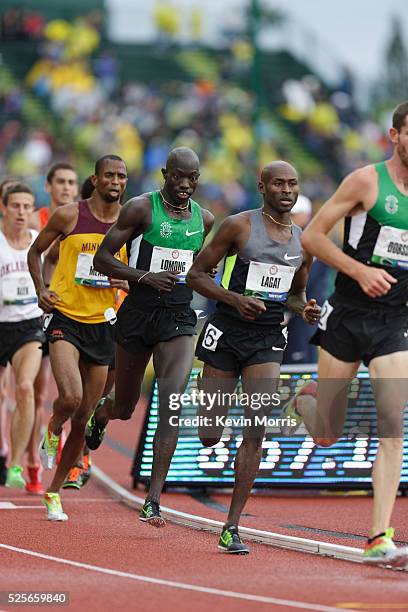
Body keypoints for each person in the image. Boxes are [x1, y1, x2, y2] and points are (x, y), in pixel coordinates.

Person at [281, 101, 408, 567]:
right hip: (348, 316)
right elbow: (312, 237)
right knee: (328, 434)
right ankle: (304, 400)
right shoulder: (366, 181)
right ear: (394, 135)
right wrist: (359, 271)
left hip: (394, 322)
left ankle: (378, 536)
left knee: (393, 426)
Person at [186, 161, 320, 553]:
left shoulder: (303, 242)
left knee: (255, 429)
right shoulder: (237, 226)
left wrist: (304, 308)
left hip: (267, 338)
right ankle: (205, 391)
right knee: (210, 435)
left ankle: (232, 526)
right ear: (262, 187)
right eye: (278, 183)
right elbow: (197, 275)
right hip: (227, 331)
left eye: (293, 184)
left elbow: (295, 294)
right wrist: (234, 299)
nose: (286, 190)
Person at [85, 147, 214, 526]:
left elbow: (197, 267)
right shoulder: (141, 208)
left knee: (171, 402)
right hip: (139, 312)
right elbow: (102, 258)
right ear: (165, 174)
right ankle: (100, 414)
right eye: (178, 177)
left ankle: (153, 500)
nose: (185, 185)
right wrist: (141, 276)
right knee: (124, 407)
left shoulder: (204, 219)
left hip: (178, 316)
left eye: (192, 178)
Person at [28, 155, 128, 521]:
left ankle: (53, 492)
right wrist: (41, 290)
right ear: (96, 179)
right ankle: (52, 428)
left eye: (121, 176)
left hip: (102, 322)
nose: (115, 182)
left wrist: (124, 280)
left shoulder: (128, 224)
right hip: (66, 317)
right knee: (69, 398)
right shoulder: (70, 215)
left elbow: (131, 271)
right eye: (109, 175)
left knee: (85, 416)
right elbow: (35, 251)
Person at [27, 163, 79, 495]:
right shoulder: (35, 221)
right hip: (37, 307)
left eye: (71, 183)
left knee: (74, 392)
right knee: (33, 389)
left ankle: (72, 457)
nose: (65, 188)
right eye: (60, 182)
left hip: (73, 311)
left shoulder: (83, 218)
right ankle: (32, 459)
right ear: (48, 186)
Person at [0, 183, 44, 489]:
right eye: (15, 205)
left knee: (26, 387)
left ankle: (14, 464)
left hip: (28, 325)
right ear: (4, 208)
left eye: (27, 206)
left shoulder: (38, 242)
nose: (21, 212)